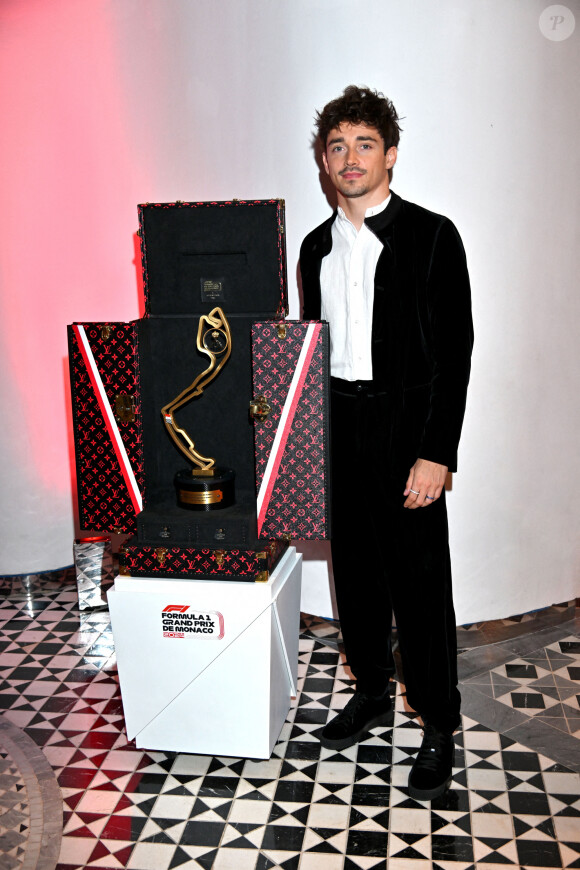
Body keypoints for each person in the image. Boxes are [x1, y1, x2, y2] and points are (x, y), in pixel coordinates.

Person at [300, 85, 473, 801]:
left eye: (364, 143)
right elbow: (309, 352)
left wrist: (437, 452)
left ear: (391, 154)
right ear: (323, 161)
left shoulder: (433, 235)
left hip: (406, 432)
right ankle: (372, 689)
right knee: (358, 577)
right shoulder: (313, 246)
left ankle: (437, 722)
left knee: (420, 584)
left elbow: (454, 354)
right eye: (337, 145)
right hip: (337, 425)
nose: (350, 157)